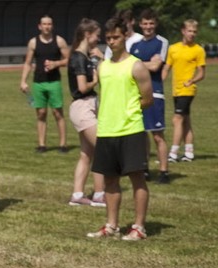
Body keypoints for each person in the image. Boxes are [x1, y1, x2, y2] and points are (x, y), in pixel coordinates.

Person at [87, 17, 153, 241]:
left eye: (115, 37)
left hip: (131, 130)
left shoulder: (136, 65)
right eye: (108, 38)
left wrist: (128, 112)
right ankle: (111, 225)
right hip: (106, 130)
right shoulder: (102, 66)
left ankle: (139, 227)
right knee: (110, 181)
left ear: (125, 36)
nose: (111, 41)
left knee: (137, 178)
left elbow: (147, 99)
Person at [66, 18, 106, 207]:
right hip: (83, 107)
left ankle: (77, 195)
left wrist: (101, 59)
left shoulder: (84, 56)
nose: (99, 39)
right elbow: (82, 87)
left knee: (86, 154)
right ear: (87, 34)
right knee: (103, 149)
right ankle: (99, 194)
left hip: (84, 106)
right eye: (97, 35)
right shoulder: (79, 57)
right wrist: (95, 80)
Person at [130, 9, 170, 184]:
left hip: (154, 94)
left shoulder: (161, 42)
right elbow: (129, 67)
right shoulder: (134, 45)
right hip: (136, 95)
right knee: (141, 134)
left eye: (151, 23)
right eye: (145, 23)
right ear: (140, 25)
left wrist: (138, 63)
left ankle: (164, 171)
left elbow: (155, 67)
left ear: (156, 24)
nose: (148, 27)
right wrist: (145, 64)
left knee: (157, 135)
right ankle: (144, 168)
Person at [20, 15, 69, 153]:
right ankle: (42, 145)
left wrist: (56, 63)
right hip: (38, 82)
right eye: (44, 24)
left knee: (57, 113)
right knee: (41, 113)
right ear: (39, 26)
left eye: (49, 24)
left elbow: (69, 59)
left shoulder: (59, 41)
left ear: (52, 26)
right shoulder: (33, 43)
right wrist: (23, 80)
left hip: (54, 82)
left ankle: (63, 144)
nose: (47, 26)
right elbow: (28, 63)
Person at [162, 19, 206, 163]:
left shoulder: (198, 50)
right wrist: (159, 83)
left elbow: (202, 73)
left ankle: (173, 154)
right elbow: (167, 68)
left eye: (194, 31)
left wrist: (192, 81)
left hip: (188, 90)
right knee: (185, 120)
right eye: (189, 31)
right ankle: (189, 153)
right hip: (176, 90)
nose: (192, 34)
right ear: (183, 31)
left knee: (177, 119)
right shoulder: (173, 48)